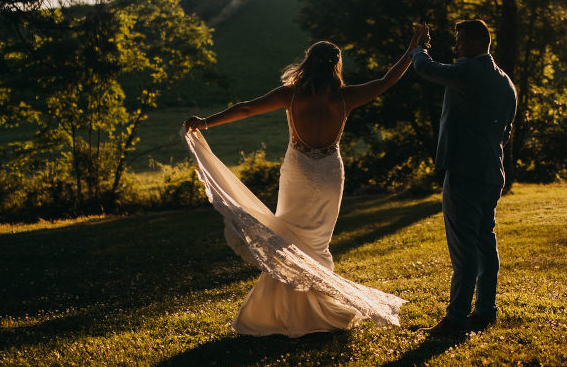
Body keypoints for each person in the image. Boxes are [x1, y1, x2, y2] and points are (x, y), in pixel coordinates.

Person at [182, 28, 425, 337]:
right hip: (328, 173)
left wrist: (206, 122)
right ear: (336, 65)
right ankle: (315, 311)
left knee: (289, 236)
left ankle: (279, 313)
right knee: (317, 243)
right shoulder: (345, 97)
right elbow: (387, 81)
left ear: (307, 62)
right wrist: (410, 50)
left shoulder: (290, 94)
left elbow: (246, 108)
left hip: (297, 170)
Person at [410, 20, 517, 334]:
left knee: (464, 249)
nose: (455, 48)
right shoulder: (506, 82)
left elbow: (428, 69)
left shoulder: (468, 71)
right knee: (485, 244)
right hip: (492, 172)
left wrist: (419, 47)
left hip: (464, 172)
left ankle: (456, 317)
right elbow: (506, 132)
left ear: (472, 43)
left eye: (458, 41)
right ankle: (484, 310)